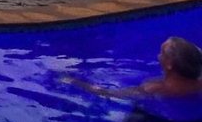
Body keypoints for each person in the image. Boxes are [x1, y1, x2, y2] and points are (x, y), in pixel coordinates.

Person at [65, 36, 202, 99]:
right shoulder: (199, 84)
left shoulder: (154, 88)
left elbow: (109, 93)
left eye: (162, 53)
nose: (158, 56)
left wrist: (74, 81)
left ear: (169, 64)